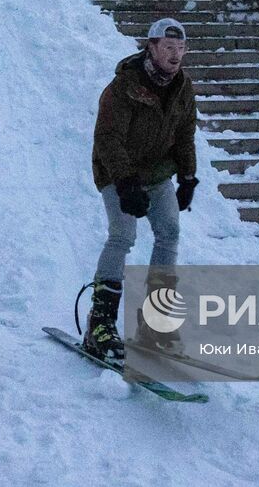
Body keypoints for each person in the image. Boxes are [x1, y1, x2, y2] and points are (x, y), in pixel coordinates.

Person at [84, 18, 198, 359]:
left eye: (180, 49)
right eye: (167, 48)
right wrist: (125, 183)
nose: (175, 56)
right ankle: (99, 324)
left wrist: (188, 177)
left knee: (169, 231)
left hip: (156, 172)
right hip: (116, 171)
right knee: (123, 234)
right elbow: (108, 139)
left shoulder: (182, 87)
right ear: (151, 47)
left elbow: (185, 135)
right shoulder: (124, 87)